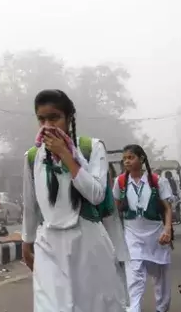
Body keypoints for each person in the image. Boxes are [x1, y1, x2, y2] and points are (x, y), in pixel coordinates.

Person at [22, 89, 126, 312]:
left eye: (54, 117)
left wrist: (67, 155)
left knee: (92, 305)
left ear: (69, 119)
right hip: (48, 244)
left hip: (87, 242)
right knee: (50, 306)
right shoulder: (33, 156)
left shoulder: (91, 148)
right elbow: (30, 205)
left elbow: (96, 194)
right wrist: (27, 241)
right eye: (42, 119)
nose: (47, 125)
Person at [112, 144, 173, 312]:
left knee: (161, 279)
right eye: (124, 158)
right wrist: (114, 234)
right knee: (134, 277)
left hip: (156, 236)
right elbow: (115, 209)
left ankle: (162, 309)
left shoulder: (157, 181)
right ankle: (134, 309)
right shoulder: (120, 182)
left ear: (142, 158)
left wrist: (167, 229)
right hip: (132, 235)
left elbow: (167, 208)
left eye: (130, 157)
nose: (127, 161)